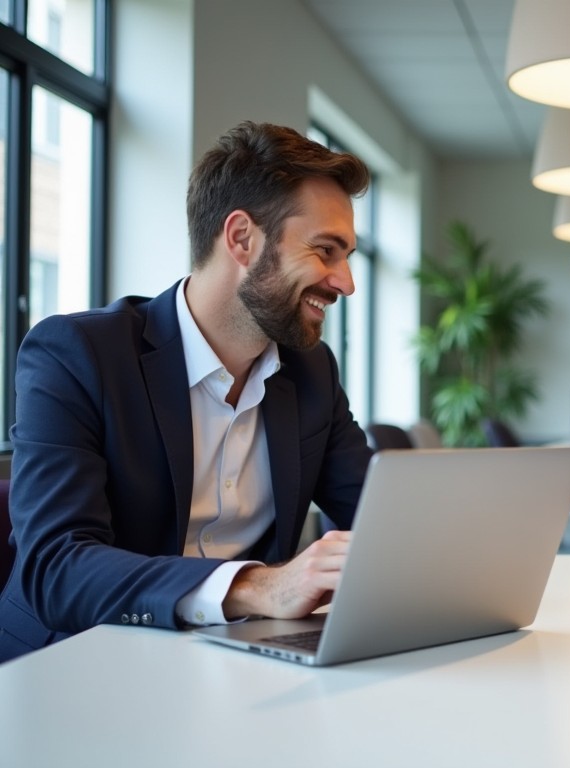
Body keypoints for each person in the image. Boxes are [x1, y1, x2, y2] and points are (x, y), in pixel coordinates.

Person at [0, 121, 375, 663]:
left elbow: (377, 515)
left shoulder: (311, 371)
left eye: (348, 257)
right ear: (242, 238)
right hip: (69, 662)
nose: (345, 281)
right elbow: (57, 569)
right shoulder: (76, 354)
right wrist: (257, 587)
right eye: (325, 251)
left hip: (232, 664)